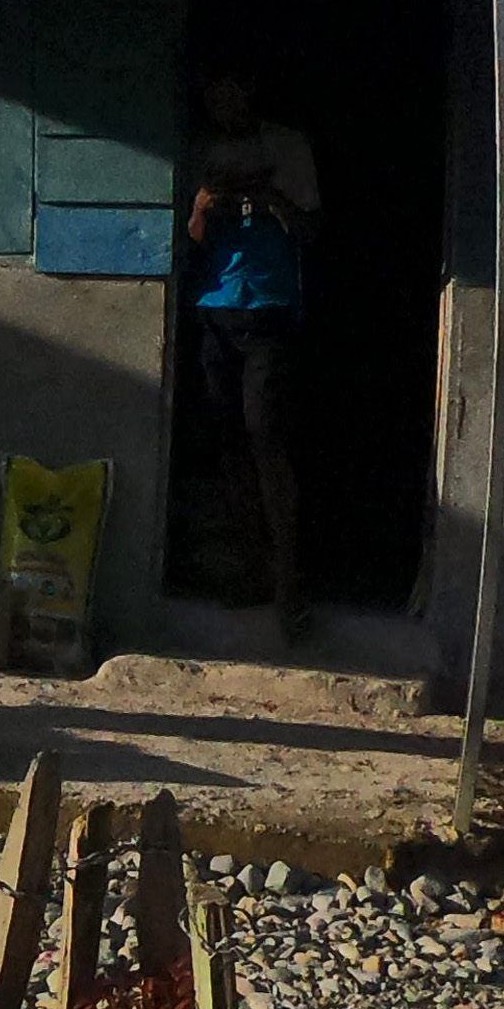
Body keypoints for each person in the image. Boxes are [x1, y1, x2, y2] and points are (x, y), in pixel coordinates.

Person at [183, 71, 322, 641]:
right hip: (215, 310)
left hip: (268, 311)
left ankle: (290, 584)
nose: (224, 102)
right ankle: (252, 569)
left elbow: (310, 231)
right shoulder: (202, 153)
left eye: (233, 90)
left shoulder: (286, 147)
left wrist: (268, 197)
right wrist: (205, 204)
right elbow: (191, 237)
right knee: (228, 443)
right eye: (214, 94)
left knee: (267, 438)